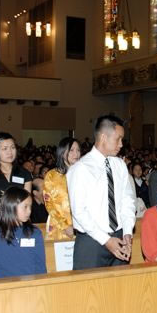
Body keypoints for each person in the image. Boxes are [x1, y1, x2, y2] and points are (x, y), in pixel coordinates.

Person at [67, 115, 136, 270]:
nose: (121, 144)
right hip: (92, 241)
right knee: (88, 285)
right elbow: (79, 211)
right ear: (104, 137)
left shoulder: (119, 165)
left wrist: (127, 231)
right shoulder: (81, 168)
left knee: (121, 285)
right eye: (118, 139)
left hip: (119, 238)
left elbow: (127, 200)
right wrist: (106, 240)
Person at [0, 187, 47, 279]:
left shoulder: (34, 233)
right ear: (11, 206)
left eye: (30, 207)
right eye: (25, 207)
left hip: (30, 284)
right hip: (5, 285)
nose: (29, 211)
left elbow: (40, 265)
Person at [0, 132, 33, 224]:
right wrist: (1, 227)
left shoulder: (24, 174)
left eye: (12, 147)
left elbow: (26, 203)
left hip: (19, 224)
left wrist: (18, 227)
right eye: (5, 148)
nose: (10, 152)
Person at [43, 137, 81, 240]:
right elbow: (49, 204)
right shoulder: (51, 175)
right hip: (58, 227)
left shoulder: (83, 174)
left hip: (81, 228)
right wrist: (65, 226)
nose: (76, 154)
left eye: (78, 150)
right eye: (71, 150)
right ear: (62, 152)